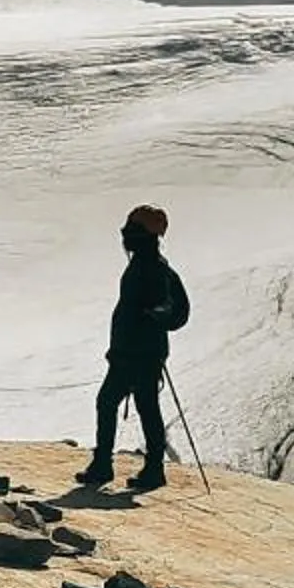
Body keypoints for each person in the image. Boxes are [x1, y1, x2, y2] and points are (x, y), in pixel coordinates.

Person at [78, 204, 191, 491]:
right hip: (142, 353)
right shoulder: (151, 265)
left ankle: (107, 466)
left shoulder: (150, 268)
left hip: (136, 354)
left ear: (145, 235)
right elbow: (172, 309)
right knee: (144, 407)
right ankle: (150, 468)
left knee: (112, 403)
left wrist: (154, 316)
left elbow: (166, 307)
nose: (126, 236)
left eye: (132, 230)